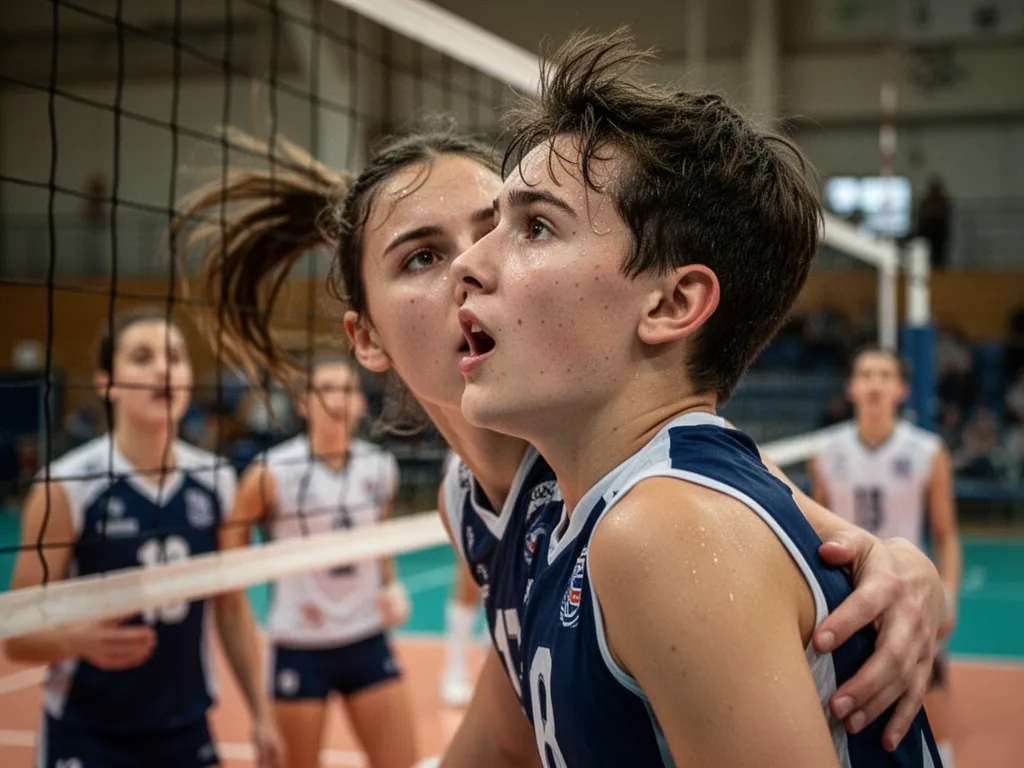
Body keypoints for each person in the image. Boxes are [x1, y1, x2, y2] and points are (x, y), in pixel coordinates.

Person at [175, 121, 948, 764]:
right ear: (366, 339)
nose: (471, 272)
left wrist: (902, 564)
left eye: (517, 231)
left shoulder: (630, 482)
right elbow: (509, 727)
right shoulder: (473, 496)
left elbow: (774, 514)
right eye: (422, 257)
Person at [448, 31, 942, 766]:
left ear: (672, 304)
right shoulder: (587, 508)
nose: (467, 263)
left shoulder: (662, 529)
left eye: (537, 227)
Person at [3, 308, 282, 768]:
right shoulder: (65, 486)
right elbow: (17, 637)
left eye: (174, 356)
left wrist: (260, 712)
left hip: (186, 729)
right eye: (141, 357)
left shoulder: (215, 481)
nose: (162, 369)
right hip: (87, 732)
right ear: (106, 383)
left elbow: (231, 605)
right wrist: (79, 640)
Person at [219, 355, 418, 768]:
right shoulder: (271, 472)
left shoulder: (380, 468)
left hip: (366, 637)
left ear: (361, 403)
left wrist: (390, 584)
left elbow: (377, 539)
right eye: (326, 388)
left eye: (348, 390)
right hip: (299, 644)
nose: (338, 399)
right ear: (304, 404)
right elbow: (228, 558)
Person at [810, 347, 962, 766]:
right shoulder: (826, 451)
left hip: (908, 591)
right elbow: (816, 526)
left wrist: (948, 594)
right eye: (866, 374)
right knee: (843, 700)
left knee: (928, 690)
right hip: (846, 593)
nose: (875, 382)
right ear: (852, 387)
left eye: (884, 375)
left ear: (901, 389)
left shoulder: (928, 451)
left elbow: (946, 534)